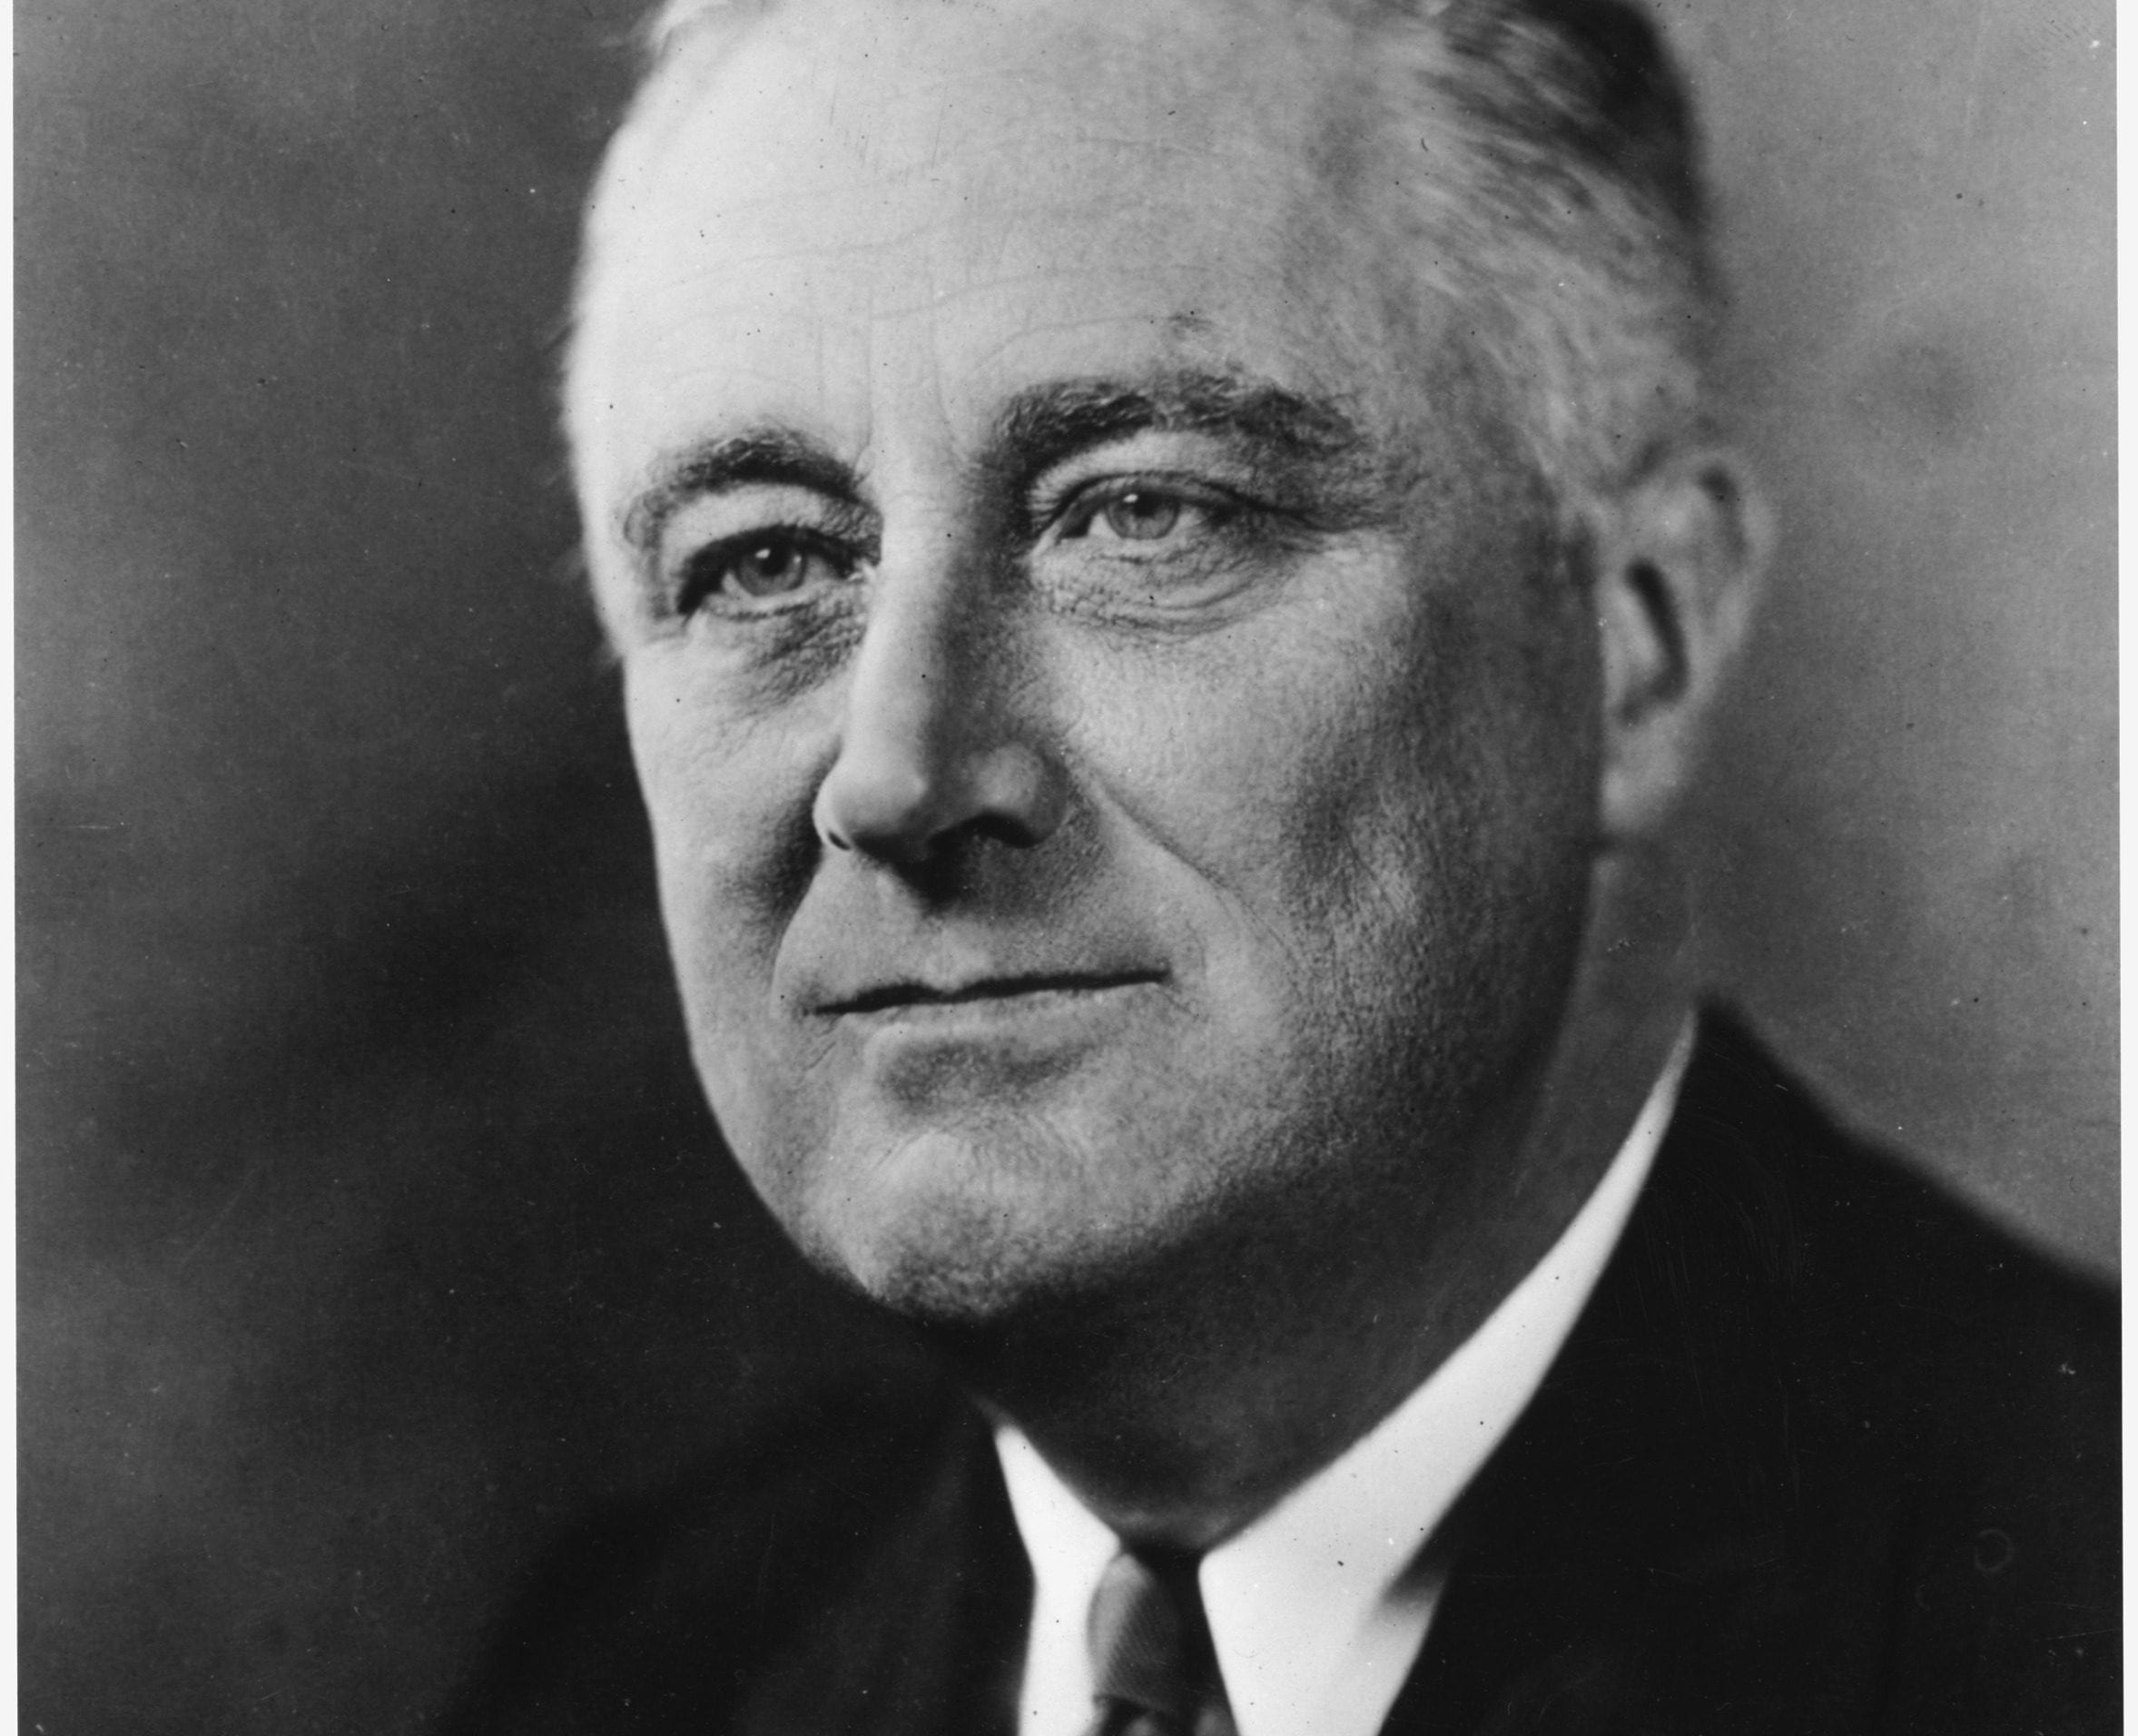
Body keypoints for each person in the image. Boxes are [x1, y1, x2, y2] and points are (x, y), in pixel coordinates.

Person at [445, 0, 2117, 1730]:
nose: (896, 776)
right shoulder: (638, 1672)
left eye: (1142, 512)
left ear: (1640, 644)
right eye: (764, 564)